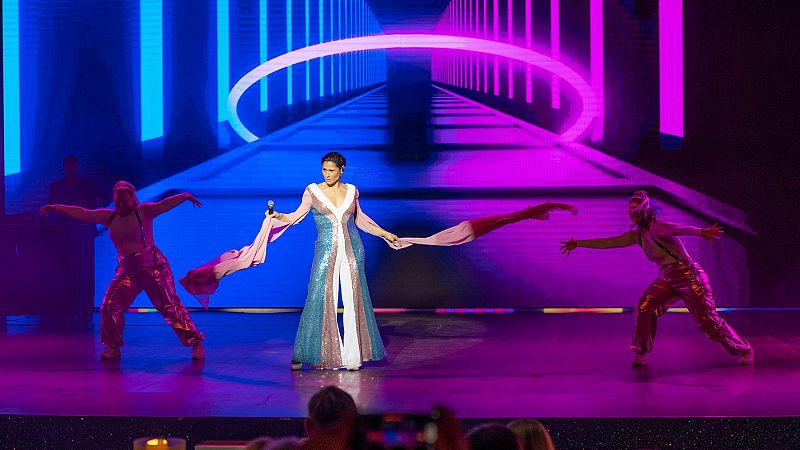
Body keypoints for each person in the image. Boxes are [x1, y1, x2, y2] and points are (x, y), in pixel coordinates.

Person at [180, 152, 577, 370]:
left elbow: (361, 220)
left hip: (353, 249)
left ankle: (355, 355)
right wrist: (275, 216)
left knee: (355, 300)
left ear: (342, 170)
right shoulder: (312, 190)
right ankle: (310, 353)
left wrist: (386, 234)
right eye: (324, 169)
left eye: (332, 170)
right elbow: (296, 217)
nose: (327, 174)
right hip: (325, 251)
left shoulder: (352, 190)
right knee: (319, 298)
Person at [559, 191, 753, 367]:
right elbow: (610, 242)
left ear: (645, 211)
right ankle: (641, 352)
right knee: (645, 308)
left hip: (689, 275)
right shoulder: (637, 235)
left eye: (636, 212)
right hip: (667, 276)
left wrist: (702, 232)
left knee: (707, 321)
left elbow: (680, 228)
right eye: (631, 213)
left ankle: (743, 349)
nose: (633, 216)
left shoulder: (657, 227)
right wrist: (579, 244)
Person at [40, 181, 206, 360]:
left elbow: (163, 205)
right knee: (109, 307)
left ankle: (195, 343)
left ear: (132, 199)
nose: (121, 204)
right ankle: (112, 347)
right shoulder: (109, 217)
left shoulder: (143, 212)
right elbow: (84, 213)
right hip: (128, 271)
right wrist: (56, 208)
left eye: (124, 201)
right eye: (118, 201)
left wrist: (184, 196)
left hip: (153, 268)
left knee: (170, 307)